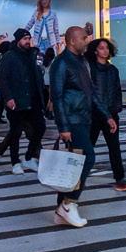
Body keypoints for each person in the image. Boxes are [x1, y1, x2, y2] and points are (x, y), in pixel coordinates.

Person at [48, 26, 101, 227]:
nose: (87, 41)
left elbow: (90, 91)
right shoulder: (61, 63)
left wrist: (106, 116)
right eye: (83, 38)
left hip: (83, 118)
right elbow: (57, 96)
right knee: (87, 158)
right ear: (72, 41)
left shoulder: (82, 61)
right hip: (72, 120)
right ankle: (69, 203)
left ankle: (61, 209)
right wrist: (63, 126)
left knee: (74, 163)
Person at [0, 28, 46, 173]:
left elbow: (38, 75)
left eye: (29, 38)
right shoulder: (10, 56)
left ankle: (29, 157)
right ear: (18, 41)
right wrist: (8, 97)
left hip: (33, 99)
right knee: (15, 131)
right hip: (16, 100)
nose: (27, 41)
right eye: (24, 39)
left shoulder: (33, 55)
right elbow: (1, 78)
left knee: (40, 127)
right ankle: (15, 162)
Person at [87, 38, 126, 192]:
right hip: (94, 114)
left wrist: (116, 109)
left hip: (111, 114)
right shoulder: (90, 69)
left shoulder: (113, 70)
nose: (105, 51)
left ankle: (119, 177)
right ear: (95, 51)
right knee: (88, 147)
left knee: (114, 147)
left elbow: (117, 90)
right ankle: (77, 174)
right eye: (101, 48)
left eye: (107, 48)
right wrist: (106, 114)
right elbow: (92, 94)